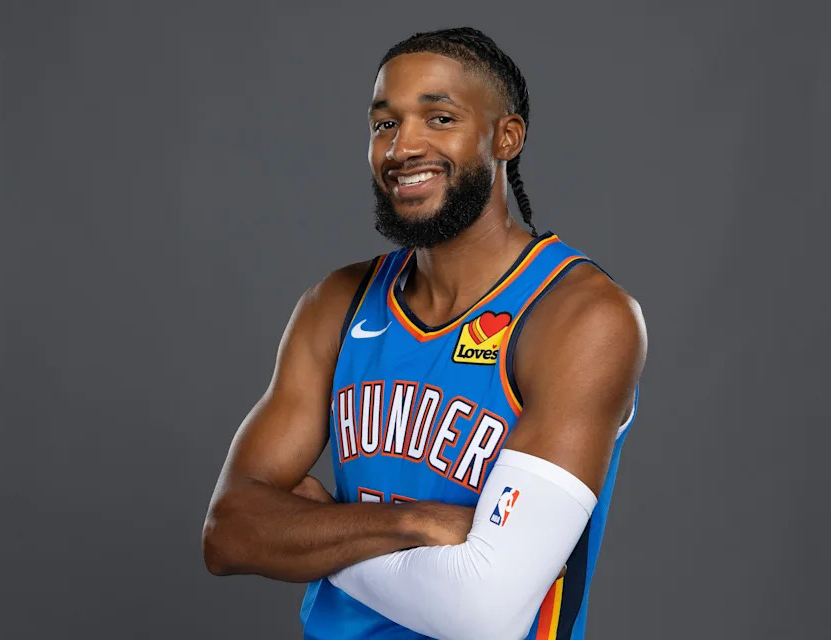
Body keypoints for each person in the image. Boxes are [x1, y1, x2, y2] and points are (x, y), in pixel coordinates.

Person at [202, 26, 647, 640]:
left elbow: (482, 612)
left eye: (439, 118)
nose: (403, 146)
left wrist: (320, 531)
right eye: (385, 124)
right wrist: (411, 522)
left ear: (505, 137)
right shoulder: (338, 302)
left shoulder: (578, 316)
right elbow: (228, 534)